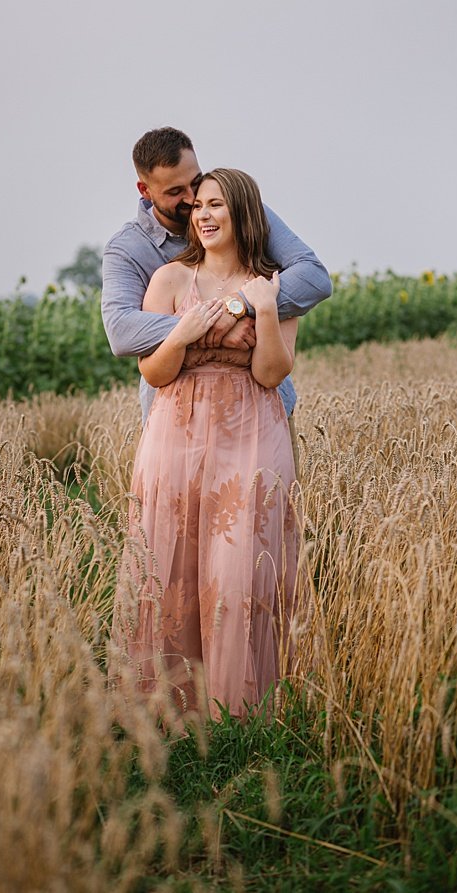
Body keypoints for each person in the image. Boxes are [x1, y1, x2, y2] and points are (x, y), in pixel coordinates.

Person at [111, 168, 300, 720]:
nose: (205, 215)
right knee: (171, 566)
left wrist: (264, 309)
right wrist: (181, 333)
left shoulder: (273, 284)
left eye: (217, 205)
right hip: (176, 431)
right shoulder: (170, 280)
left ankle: (239, 713)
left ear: (242, 213)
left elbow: (271, 374)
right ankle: (166, 710)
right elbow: (154, 373)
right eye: (199, 207)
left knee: (242, 566)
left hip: (251, 431)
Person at [101, 127, 331, 429]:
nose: (191, 198)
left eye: (194, 182)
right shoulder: (127, 249)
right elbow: (121, 331)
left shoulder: (243, 212)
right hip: (175, 422)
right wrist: (215, 327)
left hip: (262, 414)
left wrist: (236, 306)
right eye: (174, 192)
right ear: (145, 190)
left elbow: (314, 278)